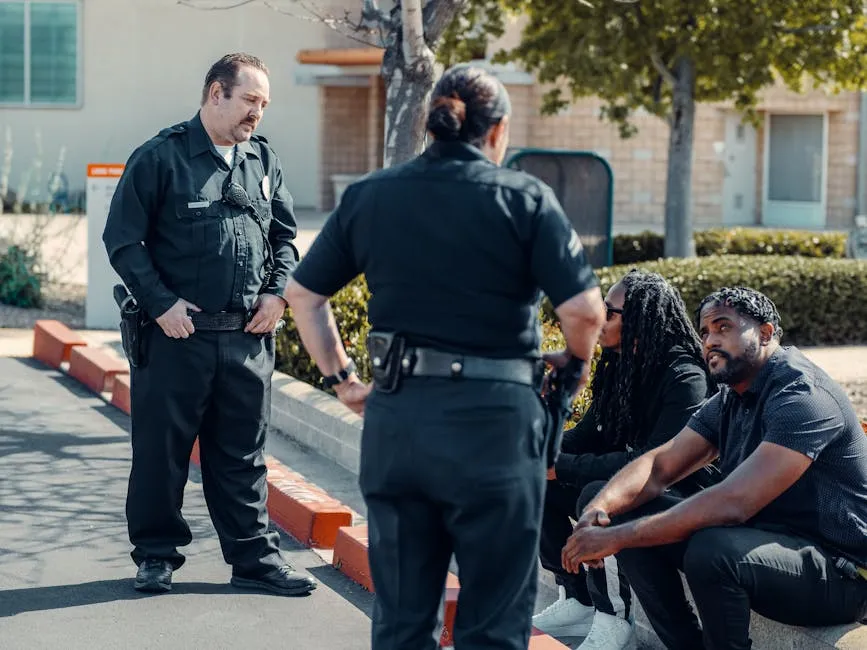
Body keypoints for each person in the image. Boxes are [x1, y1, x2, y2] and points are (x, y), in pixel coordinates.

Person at [283, 63, 606, 649]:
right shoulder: (526, 199)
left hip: (400, 422)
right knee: (493, 624)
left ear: (432, 123)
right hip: (497, 428)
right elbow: (584, 310)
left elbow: (303, 296)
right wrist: (576, 368)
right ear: (498, 130)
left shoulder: (372, 195)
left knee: (404, 622)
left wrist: (343, 380)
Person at [102, 53, 317, 597]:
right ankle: (155, 557)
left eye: (264, 104)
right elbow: (123, 240)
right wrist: (160, 304)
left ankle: (254, 562)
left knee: (243, 457)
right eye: (249, 100)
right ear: (216, 93)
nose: (257, 114)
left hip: (247, 341)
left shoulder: (262, 162)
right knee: (161, 454)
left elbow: (286, 239)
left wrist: (276, 296)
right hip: (179, 339)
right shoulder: (161, 157)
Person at [562, 287, 867, 650]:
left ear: (766, 333)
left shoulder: (803, 396)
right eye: (705, 331)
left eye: (724, 327)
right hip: (768, 544)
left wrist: (616, 539)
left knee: (712, 551)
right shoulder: (731, 395)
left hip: (840, 571)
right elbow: (659, 465)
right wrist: (600, 511)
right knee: (618, 509)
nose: (710, 341)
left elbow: (734, 502)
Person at [533, 270, 718, 649]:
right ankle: (577, 599)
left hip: (682, 496)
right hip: (638, 484)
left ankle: (614, 619)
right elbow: (591, 432)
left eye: (610, 312)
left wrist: (561, 466)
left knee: (598, 497)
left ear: (640, 320)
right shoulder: (620, 364)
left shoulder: (685, 378)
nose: (600, 319)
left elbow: (652, 466)